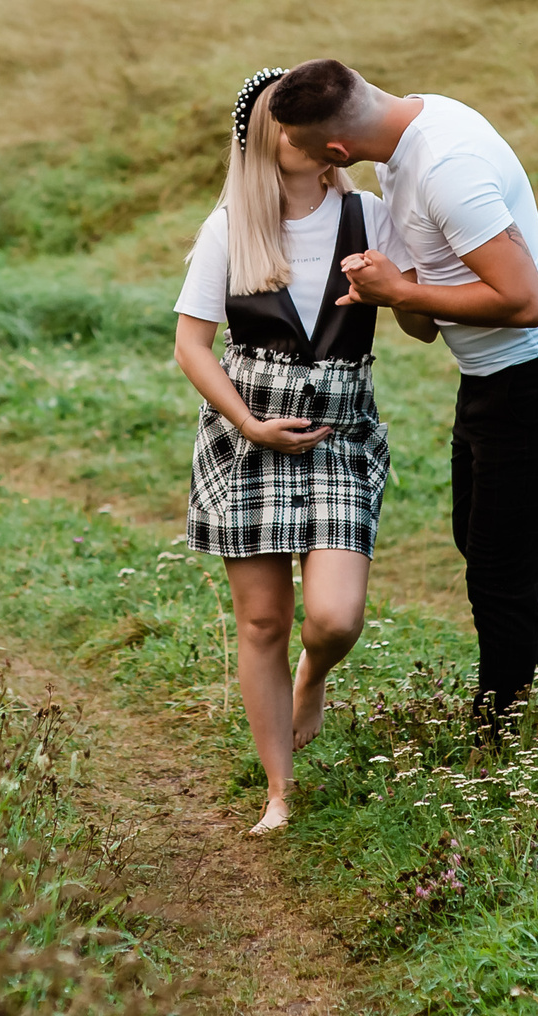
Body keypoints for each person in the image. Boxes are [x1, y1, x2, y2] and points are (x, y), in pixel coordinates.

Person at [267, 57, 538, 732]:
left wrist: (403, 291)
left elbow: (524, 301)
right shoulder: (400, 149)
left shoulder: (447, 165)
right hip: (489, 379)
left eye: (313, 157)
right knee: (485, 543)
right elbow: (424, 326)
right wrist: (389, 289)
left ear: (337, 149)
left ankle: (494, 741)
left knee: (497, 573)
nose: (320, 171)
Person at [175, 67, 424, 835]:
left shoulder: (372, 217)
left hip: (340, 437)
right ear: (266, 141)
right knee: (261, 624)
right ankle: (279, 792)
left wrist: (395, 292)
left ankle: (314, 677)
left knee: (334, 619)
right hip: (246, 443)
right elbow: (191, 346)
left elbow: (421, 325)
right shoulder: (229, 228)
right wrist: (248, 423)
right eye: (293, 125)